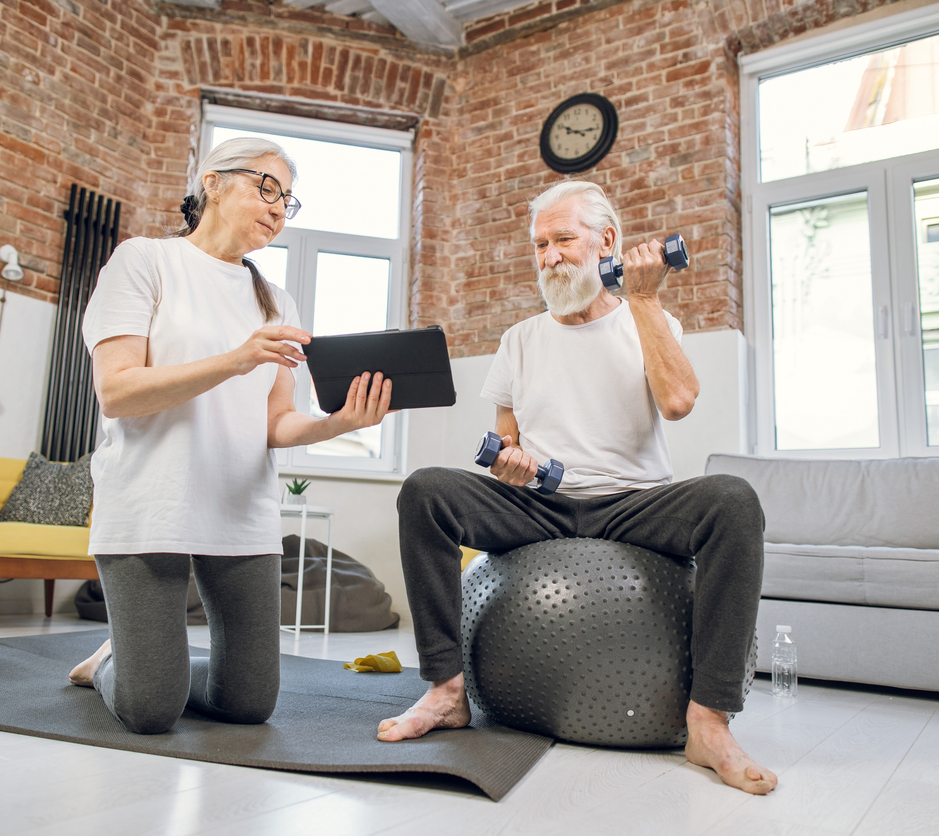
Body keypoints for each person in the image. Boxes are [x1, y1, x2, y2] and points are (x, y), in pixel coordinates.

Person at [377, 180, 777, 795]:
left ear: (606, 242)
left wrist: (641, 299)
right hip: (540, 504)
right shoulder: (520, 339)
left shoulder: (651, 319)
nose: (550, 256)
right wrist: (512, 466)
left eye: (564, 239)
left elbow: (678, 402)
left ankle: (708, 720)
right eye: (540, 244)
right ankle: (446, 691)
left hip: (634, 503)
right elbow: (504, 445)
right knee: (427, 489)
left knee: (733, 499)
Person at [67, 137, 392, 734]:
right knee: (150, 710)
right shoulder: (144, 261)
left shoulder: (276, 300)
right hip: (149, 502)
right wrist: (234, 359)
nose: (276, 207)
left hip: (239, 508)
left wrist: (338, 423)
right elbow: (117, 391)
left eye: (287, 200)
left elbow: (273, 425)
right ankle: (119, 658)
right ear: (211, 182)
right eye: (265, 187)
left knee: (248, 703)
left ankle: (150, 662)